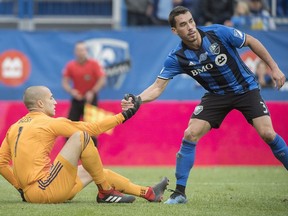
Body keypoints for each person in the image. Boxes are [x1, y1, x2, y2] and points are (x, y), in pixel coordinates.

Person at [121, 6, 288, 204]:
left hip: (246, 90)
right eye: (183, 24)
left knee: (268, 133)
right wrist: (138, 100)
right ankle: (179, 193)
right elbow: (157, 87)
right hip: (216, 96)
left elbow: (251, 41)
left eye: (191, 21)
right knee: (190, 134)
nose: (190, 27)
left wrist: (274, 67)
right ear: (175, 31)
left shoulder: (218, 33)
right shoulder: (177, 57)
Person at [0, 86, 169, 204]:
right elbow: (92, 128)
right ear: (40, 104)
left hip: (37, 191)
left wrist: (21, 188)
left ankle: (148, 193)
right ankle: (105, 192)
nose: (55, 102)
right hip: (45, 190)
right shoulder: (48, 122)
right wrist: (124, 115)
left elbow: (1, 163)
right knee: (82, 136)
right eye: (51, 97)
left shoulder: (14, 127)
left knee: (92, 170)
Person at [62, 41, 106, 147]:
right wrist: (71, 91)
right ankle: (68, 156)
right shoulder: (71, 65)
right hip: (77, 99)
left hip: (90, 99)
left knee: (92, 129)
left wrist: (93, 91)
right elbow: (65, 82)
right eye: (78, 50)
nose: (80, 52)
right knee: (69, 127)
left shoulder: (94, 64)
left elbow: (102, 80)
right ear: (75, 52)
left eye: (82, 50)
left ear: (86, 51)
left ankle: (93, 156)